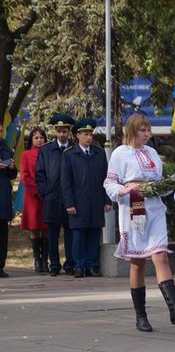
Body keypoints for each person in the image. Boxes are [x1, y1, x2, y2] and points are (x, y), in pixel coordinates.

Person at [104, 113, 175, 332]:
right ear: (132, 131)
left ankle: (174, 308)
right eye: (142, 130)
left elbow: (158, 181)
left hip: (154, 208)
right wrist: (126, 189)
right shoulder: (120, 153)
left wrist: (163, 186)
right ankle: (141, 315)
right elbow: (110, 183)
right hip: (133, 211)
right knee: (138, 262)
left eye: (148, 130)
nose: (147, 134)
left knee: (160, 255)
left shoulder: (153, 152)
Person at [61, 119, 112, 278]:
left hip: (96, 200)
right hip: (78, 201)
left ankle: (92, 265)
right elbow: (66, 181)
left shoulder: (99, 153)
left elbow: (106, 178)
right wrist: (69, 203)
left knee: (94, 232)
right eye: (85, 134)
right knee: (78, 234)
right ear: (77, 135)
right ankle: (79, 265)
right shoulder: (70, 154)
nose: (89, 137)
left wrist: (107, 200)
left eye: (90, 134)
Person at [35, 113, 76, 276]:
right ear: (55, 132)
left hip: (70, 198)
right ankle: (54, 265)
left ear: (69, 131)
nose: (61, 134)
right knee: (52, 233)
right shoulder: (46, 150)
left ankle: (70, 264)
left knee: (70, 232)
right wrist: (45, 192)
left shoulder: (74, 149)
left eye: (64, 131)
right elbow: (40, 173)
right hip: (52, 198)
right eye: (59, 131)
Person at [19, 127, 48, 274]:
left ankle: (45, 260)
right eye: (36, 137)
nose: (39, 140)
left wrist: (47, 190)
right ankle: (37, 260)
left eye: (41, 137)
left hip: (47, 196)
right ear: (31, 139)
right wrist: (36, 191)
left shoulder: (48, 153)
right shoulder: (26, 155)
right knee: (35, 228)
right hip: (32, 197)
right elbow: (24, 175)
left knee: (46, 228)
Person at [0, 138, 17, 278]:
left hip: (3, 193)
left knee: (2, 233)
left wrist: (12, 167)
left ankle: (0, 266)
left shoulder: (6, 148)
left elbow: (13, 174)